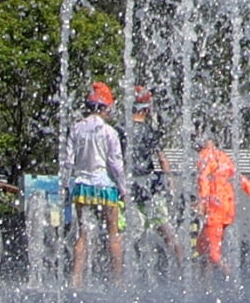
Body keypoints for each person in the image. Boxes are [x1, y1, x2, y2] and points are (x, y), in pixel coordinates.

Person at [63, 82, 128, 287]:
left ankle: (75, 280)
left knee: (83, 232)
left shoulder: (76, 128)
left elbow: (68, 161)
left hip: (82, 184)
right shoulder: (109, 132)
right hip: (105, 185)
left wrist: (65, 185)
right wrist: (123, 188)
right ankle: (117, 281)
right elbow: (115, 163)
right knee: (113, 232)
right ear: (104, 107)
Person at [127, 87, 182, 270]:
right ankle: (183, 268)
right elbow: (162, 159)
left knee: (124, 233)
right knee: (166, 231)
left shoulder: (120, 129)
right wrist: (170, 181)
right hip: (151, 186)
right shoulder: (150, 131)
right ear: (147, 109)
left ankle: (121, 276)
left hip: (128, 187)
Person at [195, 134, 237, 273]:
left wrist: (202, 200)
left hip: (215, 210)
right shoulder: (224, 158)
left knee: (213, 254)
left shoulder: (205, 156)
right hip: (226, 208)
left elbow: (203, 178)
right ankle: (205, 287)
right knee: (202, 247)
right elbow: (240, 179)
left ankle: (235, 285)